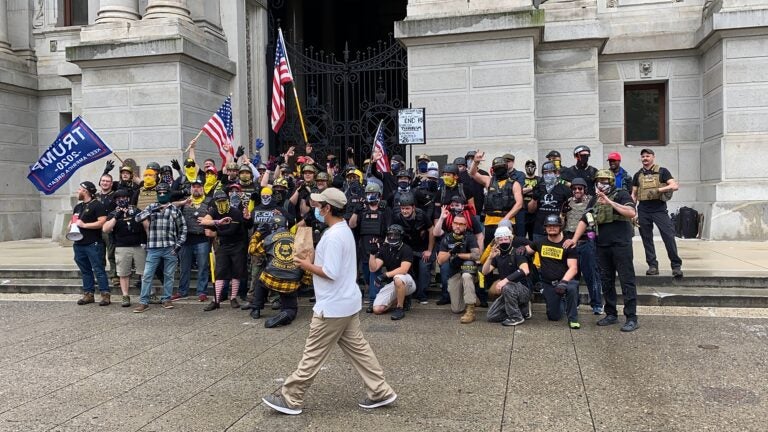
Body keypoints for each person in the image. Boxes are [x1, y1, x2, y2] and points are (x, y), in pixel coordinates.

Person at [262, 188, 397, 415]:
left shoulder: (334, 235)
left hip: (333, 307)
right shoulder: (341, 230)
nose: (316, 208)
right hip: (346, 303)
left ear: (328, 208)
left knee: (312, 354)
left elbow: (330, 271)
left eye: (319, 205)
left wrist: (304, 265)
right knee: (360, 351)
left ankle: (291, 398)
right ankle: (380, 391)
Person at [566, 169, 638, 332]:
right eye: (599, 181)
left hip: (621, 245)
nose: (601, 184)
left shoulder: (621, 194)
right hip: (602, 245)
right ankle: (611, 313)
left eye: (605, 181)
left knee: (627, 280)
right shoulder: (594, 200)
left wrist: (610, 202)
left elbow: (631, 212)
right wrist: (574, 240)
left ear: (611, 182)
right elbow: (585, 220)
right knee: (606, 280)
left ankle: (631, 317)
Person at [133, 182, 187, 313]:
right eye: (160, 193)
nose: (162, 195)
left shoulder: (174, 210)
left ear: (168, 194)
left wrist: (178, 245)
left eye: (164, 193)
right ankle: (143, 302)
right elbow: (137, 218)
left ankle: (166, 298)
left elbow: (183, 228)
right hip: (153, 248)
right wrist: (151, 211)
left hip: (170, 248)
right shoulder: (151, 207)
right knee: (147, 275)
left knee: (169, 275)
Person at [521, 214, 580, 329]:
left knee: (572, 288)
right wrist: (520, 249)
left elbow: (573, 268)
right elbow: (526, 250)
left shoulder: (567, 245)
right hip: (548, 283)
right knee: (553, 316)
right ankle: (561, 301)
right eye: (549, 226)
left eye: (555, 226)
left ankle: (573, 319)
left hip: (565, 281)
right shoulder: (540, 242)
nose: (552, 228)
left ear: (560, 227)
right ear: (545, 228)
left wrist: (563, 282)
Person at [631, 148, 683, 278]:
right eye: (643, 156)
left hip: (659, 209)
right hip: (643, 209)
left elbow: (674, 186)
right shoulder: (638, 175)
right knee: (647, 239)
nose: (645, 158)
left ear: (653, 157)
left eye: (648, 156)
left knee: (669, 236)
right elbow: (634, 195)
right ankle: (652, 265)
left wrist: (659, 190)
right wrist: (633, 211)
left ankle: (676, 266)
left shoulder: (662, 171)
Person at [248, 214, 305, 328]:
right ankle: (286, 313)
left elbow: (252, 250)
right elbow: (305, 260)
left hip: (271, 277)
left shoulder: (269, 239)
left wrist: (258, 233)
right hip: (291, 282)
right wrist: (305, 280)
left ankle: (256, 309)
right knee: (291, 307)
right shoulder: (297, 239)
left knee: (261, 283)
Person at [199, 190, 252, 311]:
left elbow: (231, 230)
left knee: (237, 271)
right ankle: (216, 300)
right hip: (223, 245)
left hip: (237, 244)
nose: (222, 203)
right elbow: (203, 221)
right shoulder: (214, 211)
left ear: (228, 200)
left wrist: (215, 232)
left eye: (224, 201)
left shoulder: (235, 212)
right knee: (220, 271)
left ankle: (233, 298)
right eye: (219, 201)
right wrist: (216, 221)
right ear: (215, 202)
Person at [561, 177, 602, 315]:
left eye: (580, 188)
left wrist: (592, 241)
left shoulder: (591, 201)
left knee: (591, 275)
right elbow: (562, 224)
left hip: (586, 242)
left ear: (584, 189)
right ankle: (575, 302)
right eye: (574, 188)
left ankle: (596, 304)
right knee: (573, 275)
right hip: (571, 242)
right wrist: (562, 213)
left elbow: (593, 222)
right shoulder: (567, 202)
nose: (577, 191)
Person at [102, 188, 145, 307]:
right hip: (122, 246)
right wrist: (116, 216)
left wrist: (138, 216)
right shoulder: (113, 213)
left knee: (144, 272)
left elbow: (146, 224)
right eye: (119, 198)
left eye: (124, 198)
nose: (122, 200)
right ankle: (125, 296)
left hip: (138, 245)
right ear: (116, 200)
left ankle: (147, 294)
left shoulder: (135, 210)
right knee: (123, 273)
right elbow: (105, 229)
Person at [71, 181, 111, 306]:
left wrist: (85, 225)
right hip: (79, 243)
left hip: (92, 243)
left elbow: (101, 222)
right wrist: (71, 225)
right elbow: (74, 220)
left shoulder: (97, 205)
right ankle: (88, 293)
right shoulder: (78, 207)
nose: (78, 191)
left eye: (80, 189)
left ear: (86, 191)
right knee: (85, 269)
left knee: (98, 269)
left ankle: (105, 294)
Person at [436, 214, 481, 324]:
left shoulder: (470, 237)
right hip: (454, 271)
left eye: (461, 224)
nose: (458, 226)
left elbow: (477, 256)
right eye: (456, 223)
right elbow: (440, 261)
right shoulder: (447, 238)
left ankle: (470, 311)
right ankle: (473, 297)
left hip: (468, 268)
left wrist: (459, 255)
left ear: (465, 226)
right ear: (452, 224)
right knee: (456, 309)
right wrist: (451, 252)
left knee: (466, 276)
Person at [482, 226, 531, 326]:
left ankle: (516, 317)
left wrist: (505, 280)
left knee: (507, 286)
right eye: (501, 239)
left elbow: (525, 270)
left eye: (506, 238)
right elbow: (485, 272)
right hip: (507, 291)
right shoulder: (497, 255)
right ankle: (522, 309)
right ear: (497, 241)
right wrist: (490, 258)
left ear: (510, 239)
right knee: (491, 316)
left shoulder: (517, 252)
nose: (504, 241)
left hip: (522, 290)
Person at [173, 179, 212, 302]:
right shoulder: (184, 202)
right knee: (184, 268)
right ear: (190, 189)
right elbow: (169, 206)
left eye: (198, 187)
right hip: (186, 239)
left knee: (203, 267)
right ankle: (182, 291)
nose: (196, 189)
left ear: (203, 188)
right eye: (193, 187)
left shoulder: (209, 202)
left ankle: (202, 292)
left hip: (202, 238)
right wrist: (183, 202)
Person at [392, 193, 433, 305]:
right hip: (406, 249)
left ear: (413, 207)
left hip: (422, 248)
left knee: (424, 267)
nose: (404, 211)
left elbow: (431, 230)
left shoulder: (421, 215)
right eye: (402, 208)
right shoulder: (396, 217)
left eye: (407, 208)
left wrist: (429, 250)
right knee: (404, 269)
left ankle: (422, 295)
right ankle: (407, 294)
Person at [368, 225, 416, 320]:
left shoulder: (406, 249)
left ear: (401, 236)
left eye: (395, 235)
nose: (392, 237)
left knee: (398, 278)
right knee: (377, 309)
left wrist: (386, 275)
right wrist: (372, 254)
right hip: (393, 283)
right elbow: (373, 268)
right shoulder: (384, 249)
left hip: (407, 282)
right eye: (390, 235)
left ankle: (400, 308)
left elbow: (404, 269)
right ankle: (401, 299)